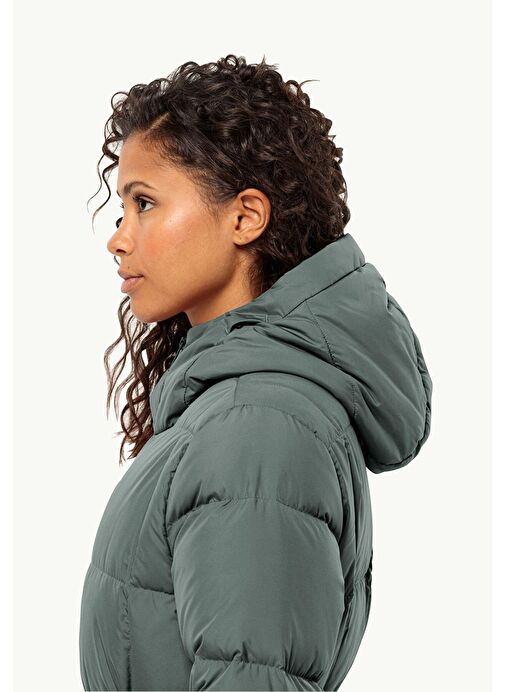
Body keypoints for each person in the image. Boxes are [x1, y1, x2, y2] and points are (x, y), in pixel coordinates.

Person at [79, 54, 433, 691]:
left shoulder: (257, 426)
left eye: (145, 203)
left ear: (245, 217)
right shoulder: (244, 407)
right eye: (123, 208)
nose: (119, 238)